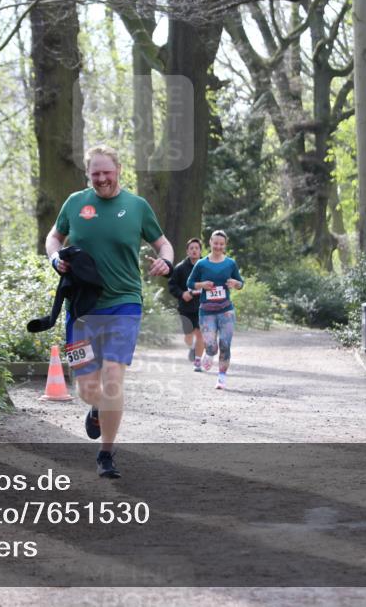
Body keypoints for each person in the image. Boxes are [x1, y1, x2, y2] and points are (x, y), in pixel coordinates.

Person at [45, 144, 173, 478]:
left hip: (124, 304)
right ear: (88, 175)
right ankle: (97, 408)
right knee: (86, 388)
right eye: (95, 173)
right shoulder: (75, 203)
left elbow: (163, 243)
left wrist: (167, 261)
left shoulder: (136, 206)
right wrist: (55, 258)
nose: (102, 179)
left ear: (118, 170)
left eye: (107, 172)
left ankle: (106, 453)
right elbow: (53, 237)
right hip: (82, 307)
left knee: (113, 376)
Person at [187, 230, 244, 390]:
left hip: (226, 310)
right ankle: (209, 353)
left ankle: (221, 377)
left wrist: (235, 283)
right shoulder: (202, 264)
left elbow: (240, 283)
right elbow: (190, 283)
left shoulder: (230, 263)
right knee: (211, 346)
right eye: (215, 243)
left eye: (221, 244)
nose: (218, 246)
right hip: (207, 312)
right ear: (210, 243)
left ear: (225, 245)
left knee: (225, 344)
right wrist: (202, 285)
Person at [168, 238, 205, 371]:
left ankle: (197, 361)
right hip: (186, 307)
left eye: (197, 248)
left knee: (200, 334)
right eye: (191, 248)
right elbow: (172, 286)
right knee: (189, 335)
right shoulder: (180, 268)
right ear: (187, 251)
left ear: (201, 251)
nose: (194, 250)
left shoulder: (206, 266)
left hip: (203, 306)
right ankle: (192, 348)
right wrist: (182, 294)